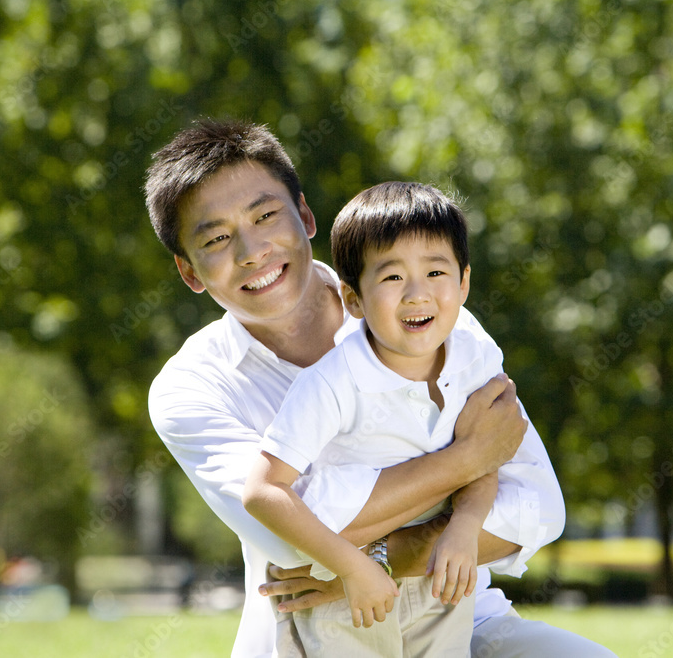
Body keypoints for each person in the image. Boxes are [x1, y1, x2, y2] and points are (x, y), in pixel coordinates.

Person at [145, 118, 617, 657]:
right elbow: (287, 538)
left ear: (304, 215)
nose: (252, 250)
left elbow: (537, 508)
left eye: (266, 215)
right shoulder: (190, 388)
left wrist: (383, 557)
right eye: (218, 238)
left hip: (458, 609)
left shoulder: (432, 318)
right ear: (189, 271)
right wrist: (468, 460)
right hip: (315, 629)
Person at [243, 182, 515, 656]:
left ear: (464, 282)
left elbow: (482, 456)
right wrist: (351, 567)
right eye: (391, 278)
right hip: (345, 591)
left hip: (439, 579)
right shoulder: (332, 381)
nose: (417, 294)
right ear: (353, 299)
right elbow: (262, 492)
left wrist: (466, 526)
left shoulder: (474, 359)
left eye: (436, 271)